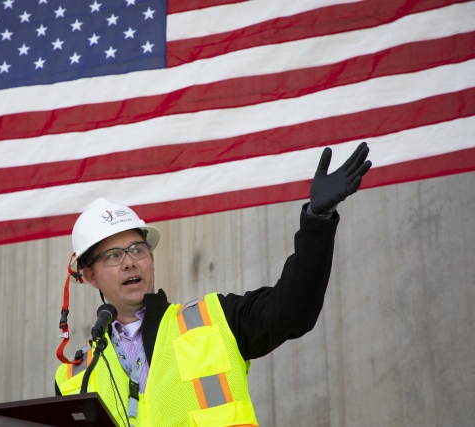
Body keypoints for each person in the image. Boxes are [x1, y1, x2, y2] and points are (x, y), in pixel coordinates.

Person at [55, 143, 372, 427]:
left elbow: (293, 311)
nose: (129, 262)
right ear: (90, 275)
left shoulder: (216, 319)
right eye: (113, 255)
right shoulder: (71, 378)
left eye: (138, 249)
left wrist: (317, 219)